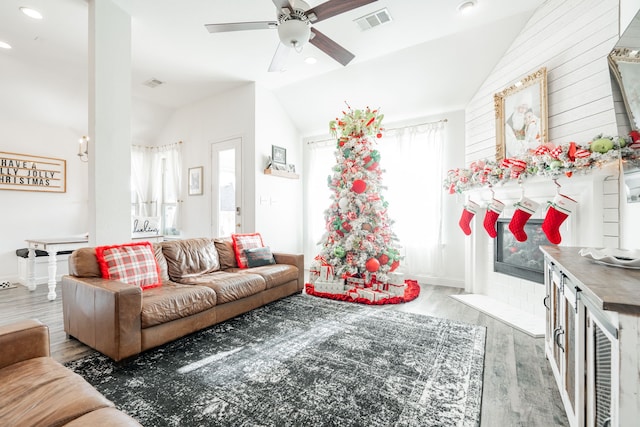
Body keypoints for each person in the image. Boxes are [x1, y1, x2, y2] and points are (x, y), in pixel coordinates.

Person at [505, 91, 541, 158]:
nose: (522, 110)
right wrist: (529, 145)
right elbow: (512, 147)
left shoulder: (533, 120)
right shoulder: (508, 125)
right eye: (520, 107)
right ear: (515, 107)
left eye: (525, 108)